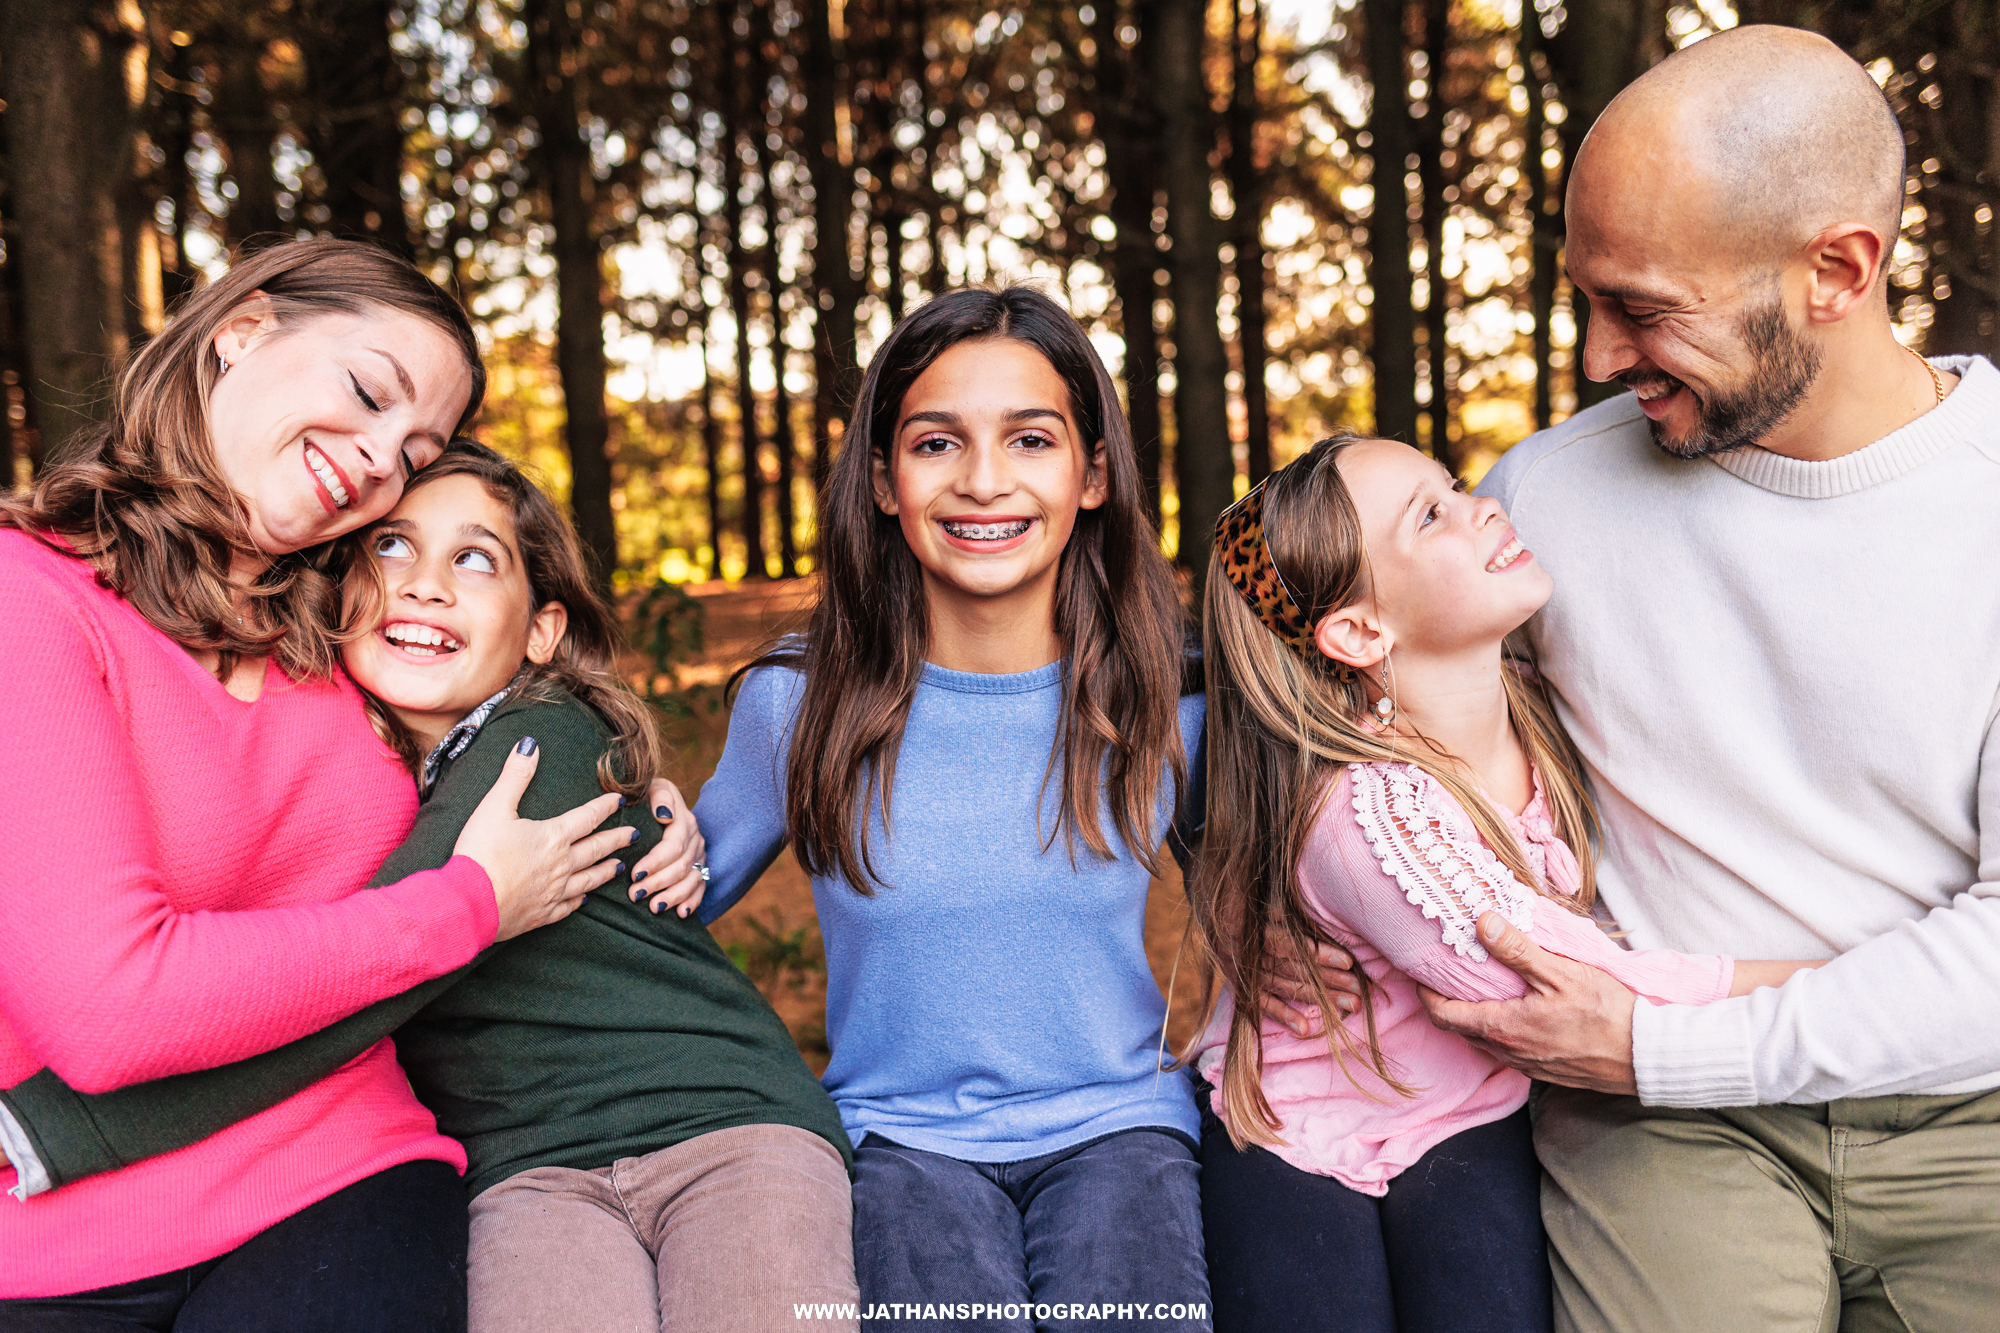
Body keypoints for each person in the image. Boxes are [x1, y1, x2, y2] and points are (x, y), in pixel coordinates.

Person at [1398, 26, 2000, 1333]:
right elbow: (1365, 711)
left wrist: (1666, 1044)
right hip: (1669, 1136)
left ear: (1837, 269)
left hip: (1973, 1114)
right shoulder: (1542, 499)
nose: (1602, 358)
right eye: (1589, 300)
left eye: (1647, 308)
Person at [0, 442, 858, 1333]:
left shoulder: (538, 749)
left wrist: (52, 1127)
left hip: (721, 1125)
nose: (427, 584)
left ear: (541, 633)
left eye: (475, 558)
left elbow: (361, 984)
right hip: (530, 1173)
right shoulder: (366, 766)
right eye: (393, 547)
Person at [0, 238, 687, 1330]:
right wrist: (464, 907)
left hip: (342, 1177)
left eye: (414, 451)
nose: (376, 460)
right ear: (241, 332)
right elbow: (108, 1008)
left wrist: (640, 789)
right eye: (368, 393)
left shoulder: (350, 622)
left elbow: (515, 719)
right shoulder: (31, 604)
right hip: (52, 1231)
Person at [1187, 433, 1822, 1333]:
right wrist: (1833, 983)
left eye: (1452, 484)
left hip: (1474, 1108)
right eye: (1432, 513)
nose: (1482, 501)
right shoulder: (1370, 814)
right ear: (1362, 630)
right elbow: (1558, 983)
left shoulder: (1545, 705)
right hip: (1301, 1125)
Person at [675, 287, 1211, 1331]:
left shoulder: (1166, 704)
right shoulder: (800, 703)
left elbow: (1285, 914)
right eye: (934, 442)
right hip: (898, 1143)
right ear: (881, 481)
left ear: (1092, 473)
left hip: (1119, 1132)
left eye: (1029, 438)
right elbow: (656, 911)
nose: (981, 480)